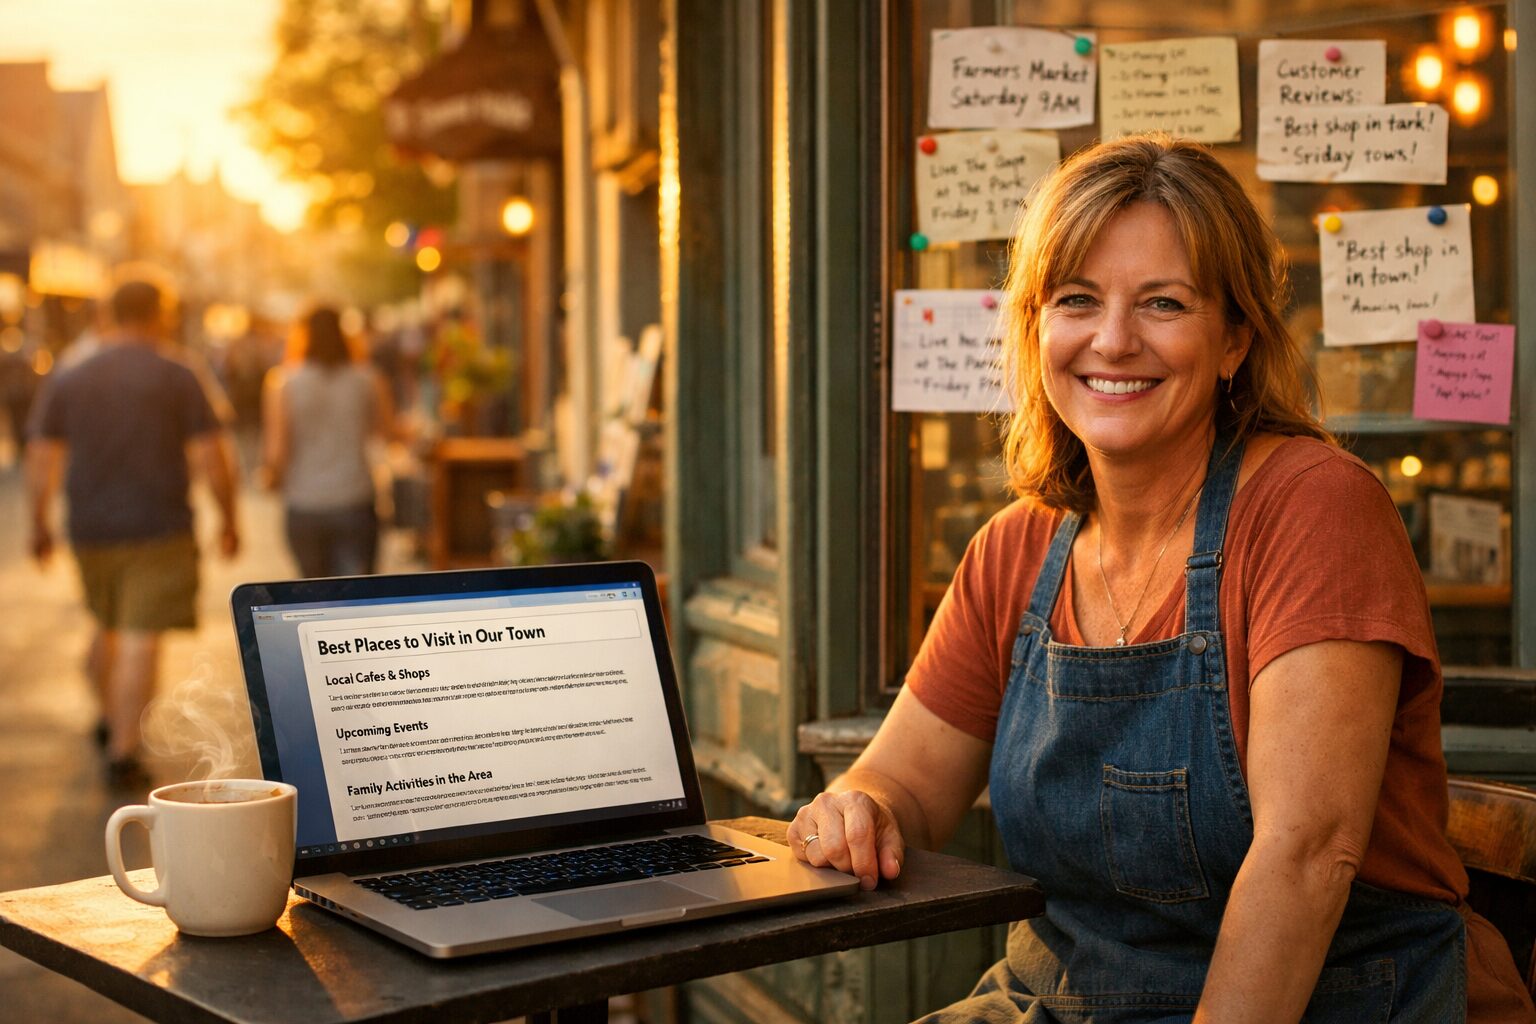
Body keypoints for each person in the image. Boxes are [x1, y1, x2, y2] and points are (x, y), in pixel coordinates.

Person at [789, 135, 1534, 1022]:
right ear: (1036, 329)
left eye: (1164, 303)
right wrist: (857, 810)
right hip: (1061, 1001)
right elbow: (903, 788)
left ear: (1234, 341)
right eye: (1076, 300)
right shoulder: (1014, 550)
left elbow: (1307, 855)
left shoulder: (1314, 510)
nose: (1113, 340)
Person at [27, 278, 240, 787]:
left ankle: (108, 716)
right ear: (160, 314)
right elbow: (213, 455)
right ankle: (123, 750)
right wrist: (230, 517)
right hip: (159, 526)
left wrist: (38, 523)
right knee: (141, 639)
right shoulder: (178, 374)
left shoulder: (72, 375)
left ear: (107, 314)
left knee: (108, 625)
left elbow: (42, 458)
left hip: (90, 526)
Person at [261, 305, 395, 578]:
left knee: (314, 596)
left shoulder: (283, 383)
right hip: (355, 498)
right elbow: (387, 433)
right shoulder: (368, 379)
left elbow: (277, 451)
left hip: (304, 502)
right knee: (359, 597)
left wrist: (271, 478)